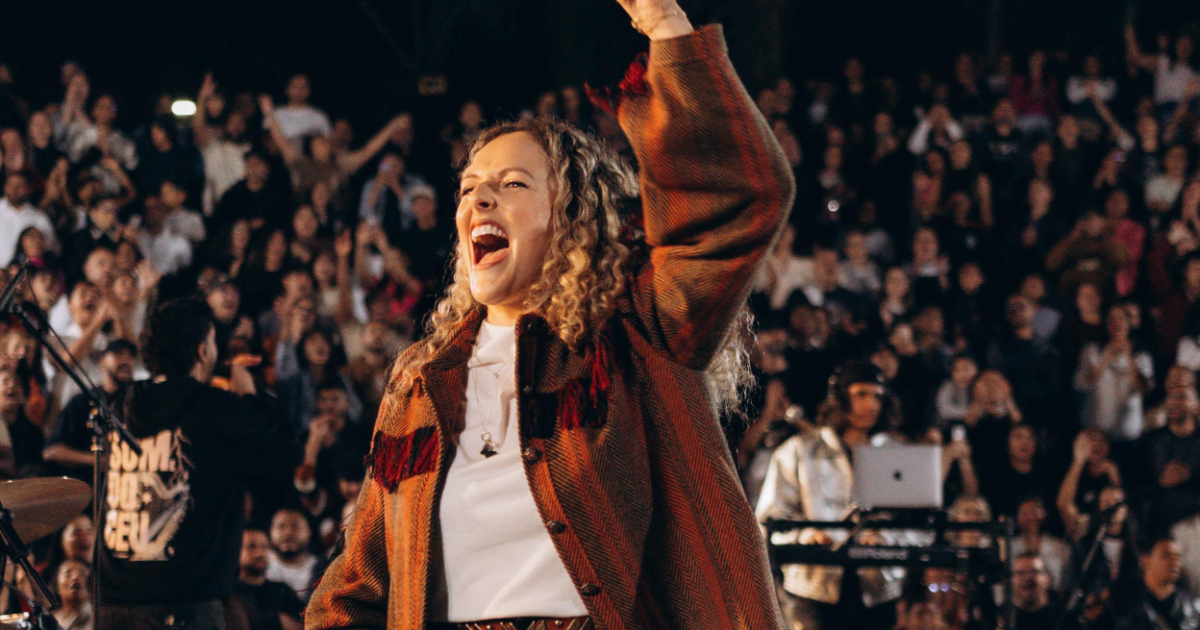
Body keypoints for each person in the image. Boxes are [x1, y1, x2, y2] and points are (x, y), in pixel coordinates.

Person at [305, 3, 794, 629]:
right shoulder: (422, 380)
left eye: (512, 184)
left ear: (572, 217)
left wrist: (666, 25)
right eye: (469, 186)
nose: (479, 195)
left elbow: (737, 199)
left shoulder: (635, 333)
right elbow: (359, 582)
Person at [96, 298, 296, 630]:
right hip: (183, 604)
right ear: (203, 351)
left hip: (113, 601)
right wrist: (249, 396)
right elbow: (285, 453)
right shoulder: (217, 408)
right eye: (213, 344)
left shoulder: (122, 406)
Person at [756, 361, 914, 630]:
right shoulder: (799, 450)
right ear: (840, 399)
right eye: (861, 394)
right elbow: (770, 519)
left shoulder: (896, 452)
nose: (871, 405)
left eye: (877, 396)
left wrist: (887, 538)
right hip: (814, 587)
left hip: (879, 587)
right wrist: (807, 536)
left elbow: (917, 521)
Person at [43, 339, 137, 479]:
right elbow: (52, 451)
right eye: (118, 354)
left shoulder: (140, 400)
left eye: (131, 356)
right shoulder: (83, 401)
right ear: (101, 361)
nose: (126, 361)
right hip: (91, 488)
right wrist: (99, 461)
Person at [1116, 535, 1200, 630]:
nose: (1174, 562)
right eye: (1166, 556)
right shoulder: (1126, 606)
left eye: (1177, 557)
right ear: (1145, 560)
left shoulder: (1194, 607)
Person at [231, 526, 303, 630]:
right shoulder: (229, 594)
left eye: (264, 547)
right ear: (236, 551)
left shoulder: (282, 591)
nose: (260, 553)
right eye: (251, 546)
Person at [265, 508, 318, 599]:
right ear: (271, 531)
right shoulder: (260, 562)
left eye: (296, 527)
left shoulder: (324, 569)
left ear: (309, 532)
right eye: (281, 526)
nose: (288, 533)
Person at [52, 558, 94, 630]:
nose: (75, 577)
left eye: (83, 574)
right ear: (57, 585)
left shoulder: (98, 619)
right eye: (68, 574)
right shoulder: (51, 619)